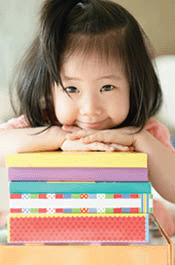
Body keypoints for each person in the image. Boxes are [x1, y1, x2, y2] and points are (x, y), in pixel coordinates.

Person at [1, 0, 175, 237]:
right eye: (72, 89)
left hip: (130, 235)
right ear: (48, 89)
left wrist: (140, 140)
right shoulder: (40, 124)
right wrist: (56, 136)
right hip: (51, 233)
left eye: (107, 87)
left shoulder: (143, 131)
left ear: (134, 85)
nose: (91, 109)